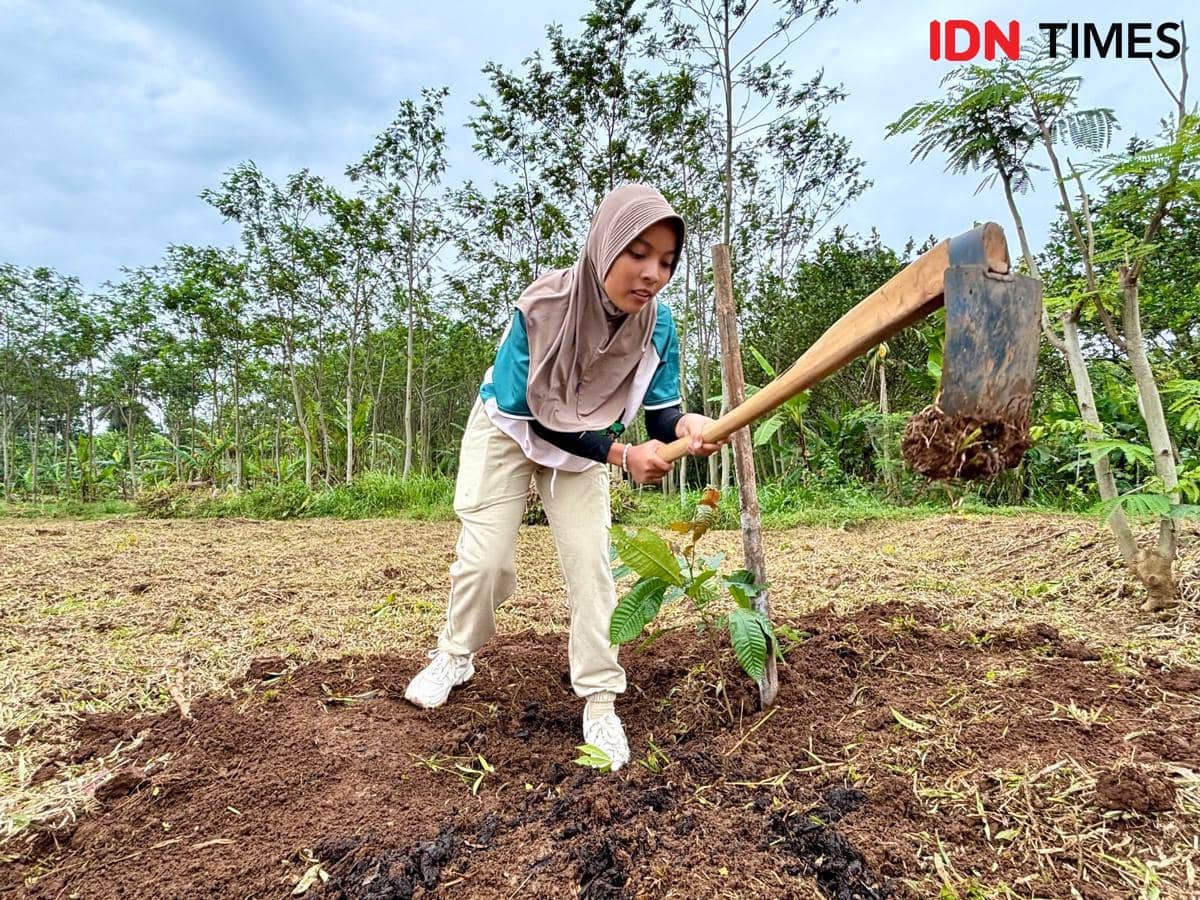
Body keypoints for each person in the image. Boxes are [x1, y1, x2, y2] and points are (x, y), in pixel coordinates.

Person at [403, 184, 722, 771]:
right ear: (605, 245)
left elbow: (663, 414)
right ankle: (456, 653)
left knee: (591, 566)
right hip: (509, 427)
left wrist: (689, 425)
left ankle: (600, 698)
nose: (652, 273)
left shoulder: (658, 325)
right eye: (639, 253)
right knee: (486, 561)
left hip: (589, 442)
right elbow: (534, 414)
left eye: (667, 263)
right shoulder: (542, 307)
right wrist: (623, 456)